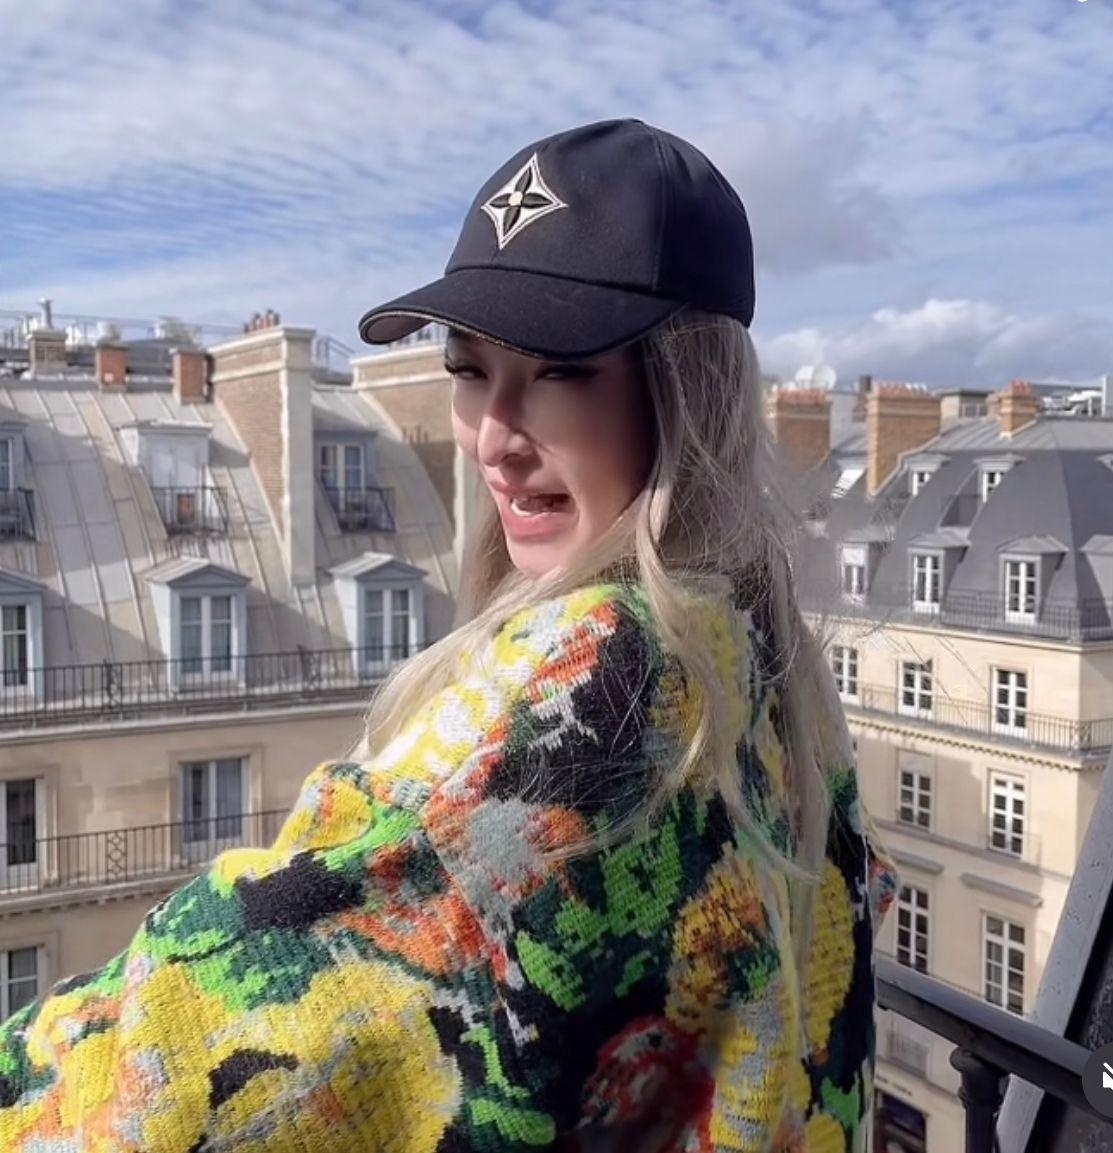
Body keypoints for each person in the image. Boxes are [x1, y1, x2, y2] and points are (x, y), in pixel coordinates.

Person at [0, 119, 899, 1152]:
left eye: (559, 372)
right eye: (469, 370)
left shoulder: (600, 678)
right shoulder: (756, 636)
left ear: (684, 391)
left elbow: (190, 1060)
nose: (493, 437)